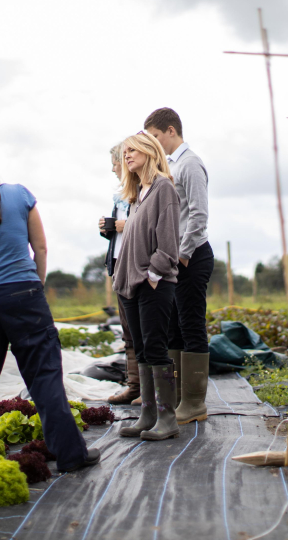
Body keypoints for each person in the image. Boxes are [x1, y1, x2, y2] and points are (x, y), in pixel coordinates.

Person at [0, 151, 99, 472]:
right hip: (24, 296)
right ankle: (71, 456)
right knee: (44, 376)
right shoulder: (20, 195)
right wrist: (35, 285)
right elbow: (40, 248)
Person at [145, 108, 213, 425]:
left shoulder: (191, 164)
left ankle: (195, 403)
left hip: (192, 256)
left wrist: (182, 254)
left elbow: (198, 216)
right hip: (175, 259)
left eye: (155, 137)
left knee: (190, 325)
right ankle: (174, 397)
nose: (154, 144)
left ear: (171, 131)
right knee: (172, 327)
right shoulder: (169, 167)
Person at [113, 132, 181, 441]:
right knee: (141, 349)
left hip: (152, 283)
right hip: (130, 285)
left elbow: (167, 242)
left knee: (155, 347)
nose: (127, 155)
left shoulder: (163, 189)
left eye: (132, 150)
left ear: (149, 151)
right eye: (125, 152)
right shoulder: (138, 194)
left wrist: (153, 275)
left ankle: (167, 419)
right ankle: (148, 415)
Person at [97, 142, 141, 405]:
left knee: (142, 331)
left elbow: (147, 226)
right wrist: (109, 229)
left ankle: (150, 390)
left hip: (137, 267)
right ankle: (134, 385)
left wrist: (126, 225)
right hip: (120, 265)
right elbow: (122, 234)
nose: (113, 169)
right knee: (128, 330)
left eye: (116, 163)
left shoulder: (146, 190)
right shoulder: (120, 196)